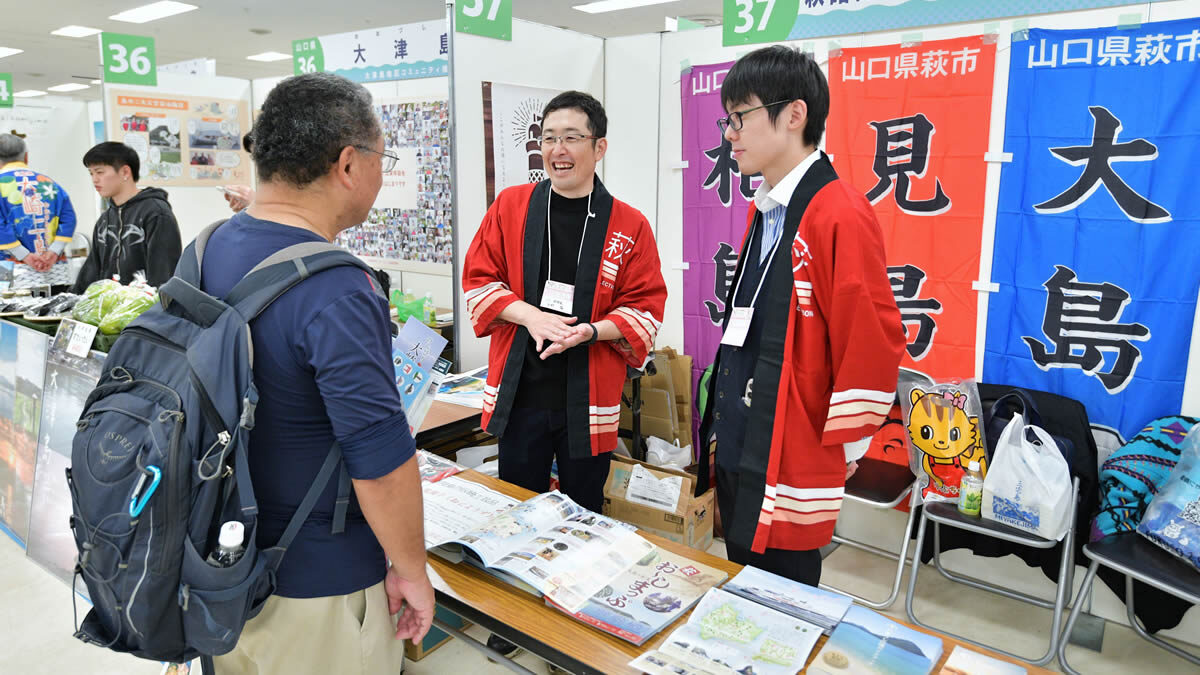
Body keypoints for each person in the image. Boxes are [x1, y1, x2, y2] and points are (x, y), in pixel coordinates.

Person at [202, 72, 433, 673]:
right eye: (383, 156)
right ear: (349, 164)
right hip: (315, 582)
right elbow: (379, 460)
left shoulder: (207, 248)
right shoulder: (337, 287)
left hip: (214, 567)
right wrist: (412, 571)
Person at [461, 90, 667, 658]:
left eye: (572, 138)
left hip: (589, 396)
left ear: (598, 147)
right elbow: (478, 278)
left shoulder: (629, 224)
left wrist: (589, 331)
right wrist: (531, 316)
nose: (558, 150)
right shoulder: (511, 206)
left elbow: (647, 305)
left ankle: (573, 621)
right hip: (523, 391)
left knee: (583, 513)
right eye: (549, 138)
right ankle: (511, 615)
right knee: (516, 510)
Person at [697, 46, 905, 587]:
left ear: (793, 115)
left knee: (784, 583)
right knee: (744, 571)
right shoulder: (765, 207)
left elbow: (873, 337)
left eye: (740, 117)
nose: (729, 134)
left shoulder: (838, 211)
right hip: (749, 422)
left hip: (797, 436)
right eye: (728, 119)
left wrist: (852, 443)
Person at [71, 142, 182, 292]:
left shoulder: (156, 213)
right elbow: (90, 273)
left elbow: (164, 275)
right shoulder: (104, 220)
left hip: (143, 310)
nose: (94, 180)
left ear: (125, 172)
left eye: (100, 172)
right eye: (91, 173)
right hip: (108, 310)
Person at [0, 133, 78, 288]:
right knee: (56, 310)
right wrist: (54, 251)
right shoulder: (50, 184)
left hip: (9, 272)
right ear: (26, 157)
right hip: (54, 271)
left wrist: (25, 255)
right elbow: (69, 219)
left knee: (13, 312)